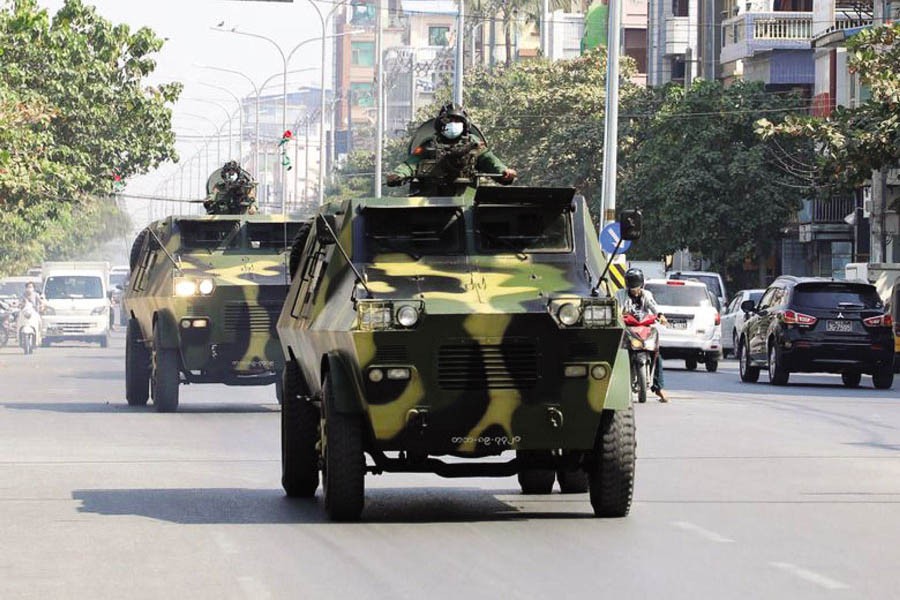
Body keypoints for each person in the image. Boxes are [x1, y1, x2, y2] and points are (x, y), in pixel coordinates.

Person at [386, 103, 516, 195]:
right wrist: (398, 175)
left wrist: (504, 172)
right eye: (449, 120)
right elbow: (411, 164)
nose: (453, 124)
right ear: (440, 124)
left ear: (465, 124)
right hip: (430, 199)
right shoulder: (429, 144)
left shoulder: (475, 144)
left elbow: (490, 160)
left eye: (457, 120)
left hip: (465, 198)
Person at [615, 268, 669, 402]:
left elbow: (653, 306)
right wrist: (618, 316)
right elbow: (617, 308)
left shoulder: (646, 294)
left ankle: (659, 387)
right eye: (632, 288)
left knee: (656, 353)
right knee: (618, 354)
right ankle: (615, 386)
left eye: (637, 287)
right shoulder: (620, 294)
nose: (635, 290)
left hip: (645, 329)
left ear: (642, 284)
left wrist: (661, 316)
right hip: (628, 329)